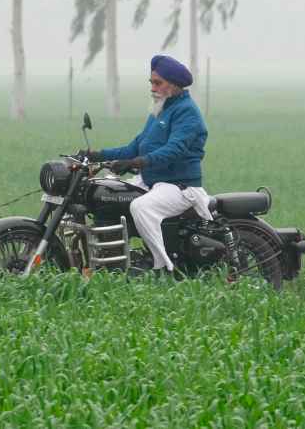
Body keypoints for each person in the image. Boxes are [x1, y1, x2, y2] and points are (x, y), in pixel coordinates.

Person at [87, 55, 212, 274]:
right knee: (110, 192)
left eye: (158, 83)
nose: (153, 88)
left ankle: (163, 267)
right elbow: (135, 146)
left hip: (179, 186)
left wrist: (138, 162)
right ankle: (112, 261)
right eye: (151, 82)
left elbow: (175, 149)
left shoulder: (187, 112)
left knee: (140, 206)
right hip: (154, 182)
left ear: (173, 85)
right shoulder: (160, 109)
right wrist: (97, 155)